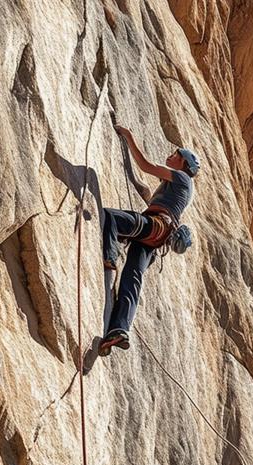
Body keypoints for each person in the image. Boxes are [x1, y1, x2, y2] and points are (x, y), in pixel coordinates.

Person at [98, 123, 200, 356]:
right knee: (133, 278)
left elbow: (145, 166)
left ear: (183, 163)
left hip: (156, 226)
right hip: (157, 237)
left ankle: (109, 258)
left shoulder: (182, 178)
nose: (170, 156)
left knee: (110, 217)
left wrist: (128, 136)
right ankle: (119, 329)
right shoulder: (174, 187)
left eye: (175, 155)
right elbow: (146, 191)